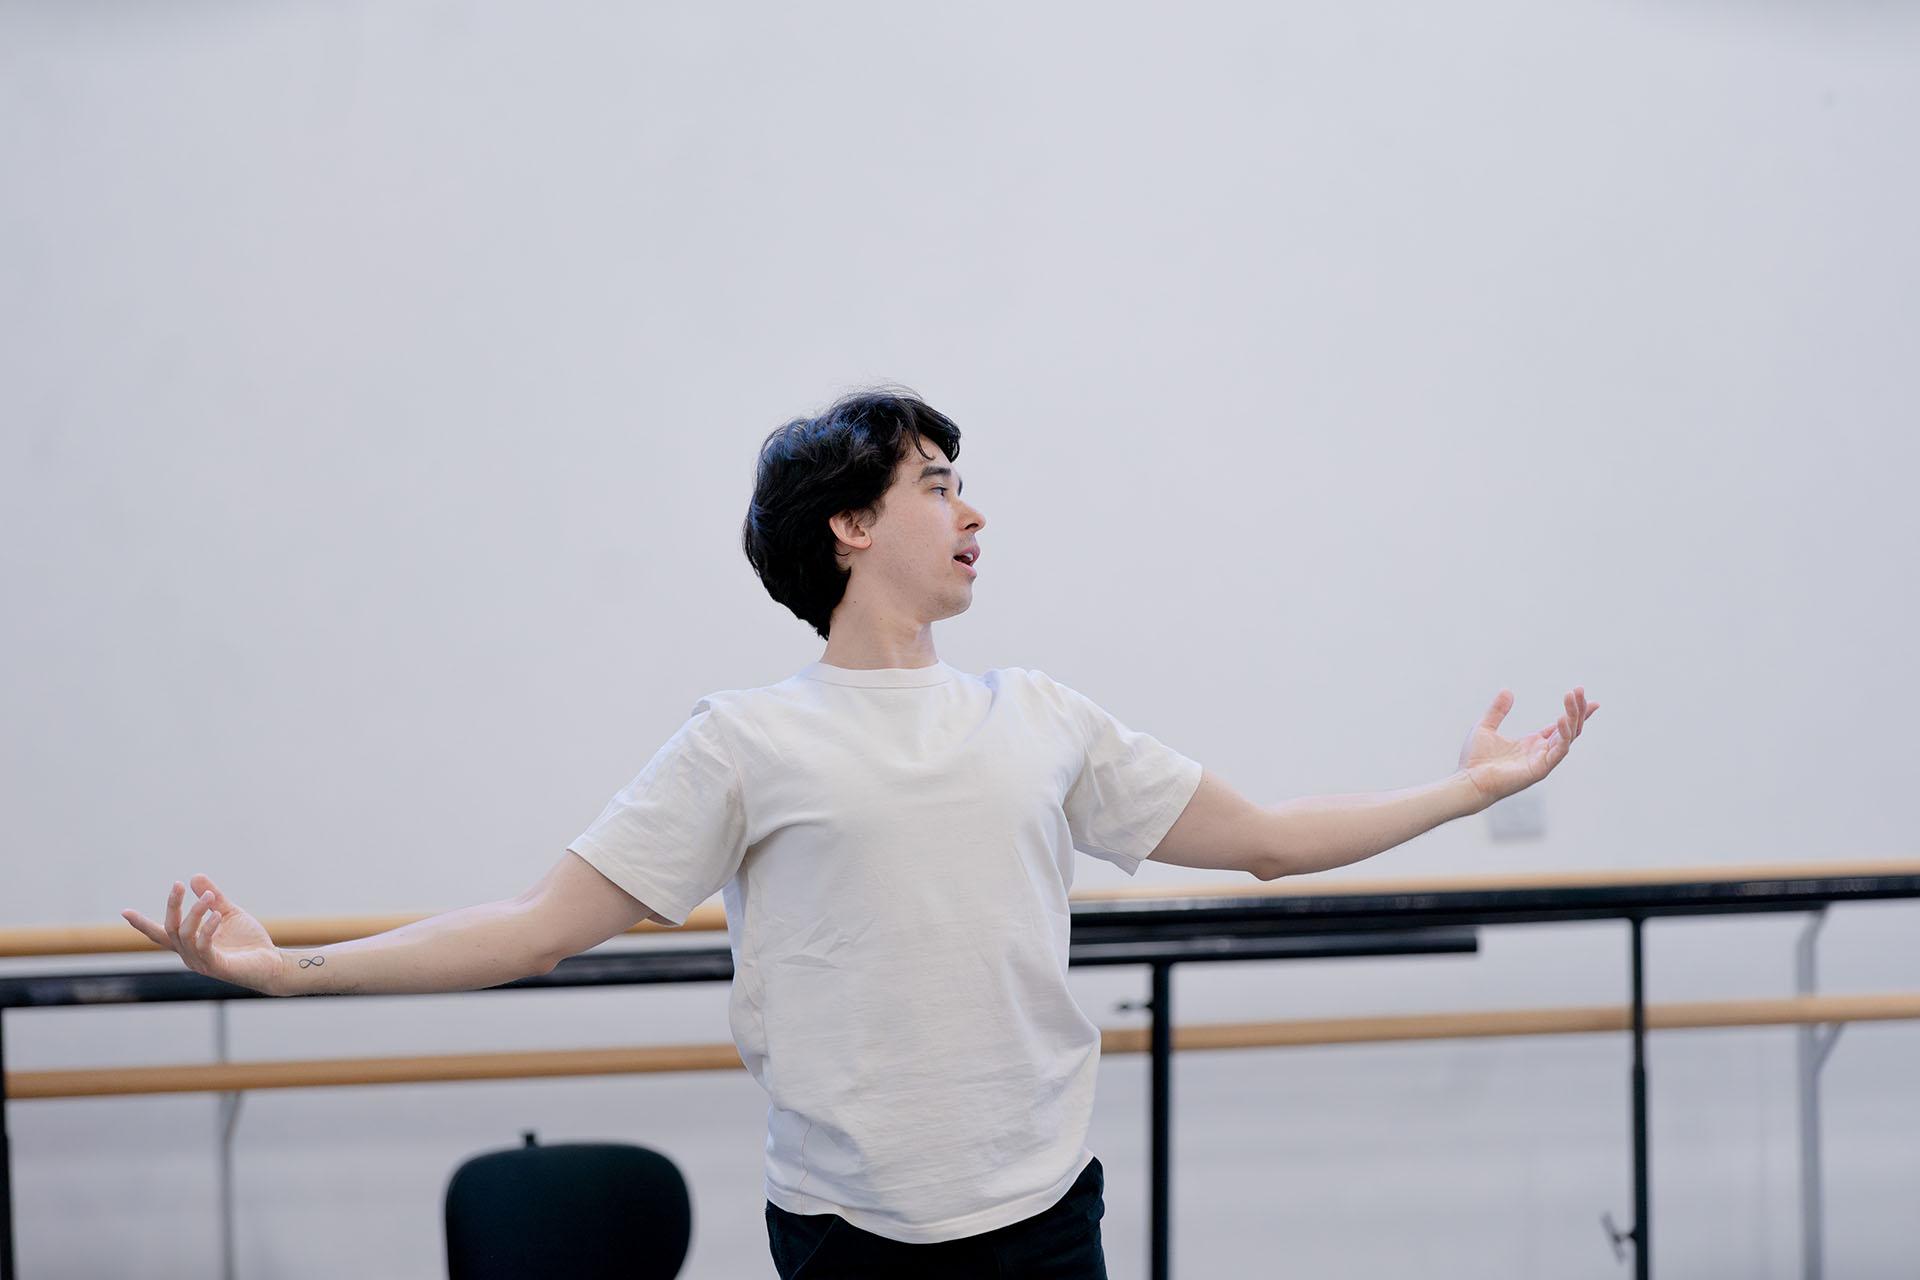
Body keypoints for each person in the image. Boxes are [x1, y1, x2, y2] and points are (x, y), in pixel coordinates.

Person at [123, 386, 1595, 1279]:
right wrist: (284, 974)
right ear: (847, 527)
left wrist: (1465, 790)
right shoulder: (744, 742)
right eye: (938, 483)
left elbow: (1268, 838)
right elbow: (525, 926)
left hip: (1040, 1229)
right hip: (846, 1245)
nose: (972, 510)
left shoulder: (1043, 716)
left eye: (965, 484)